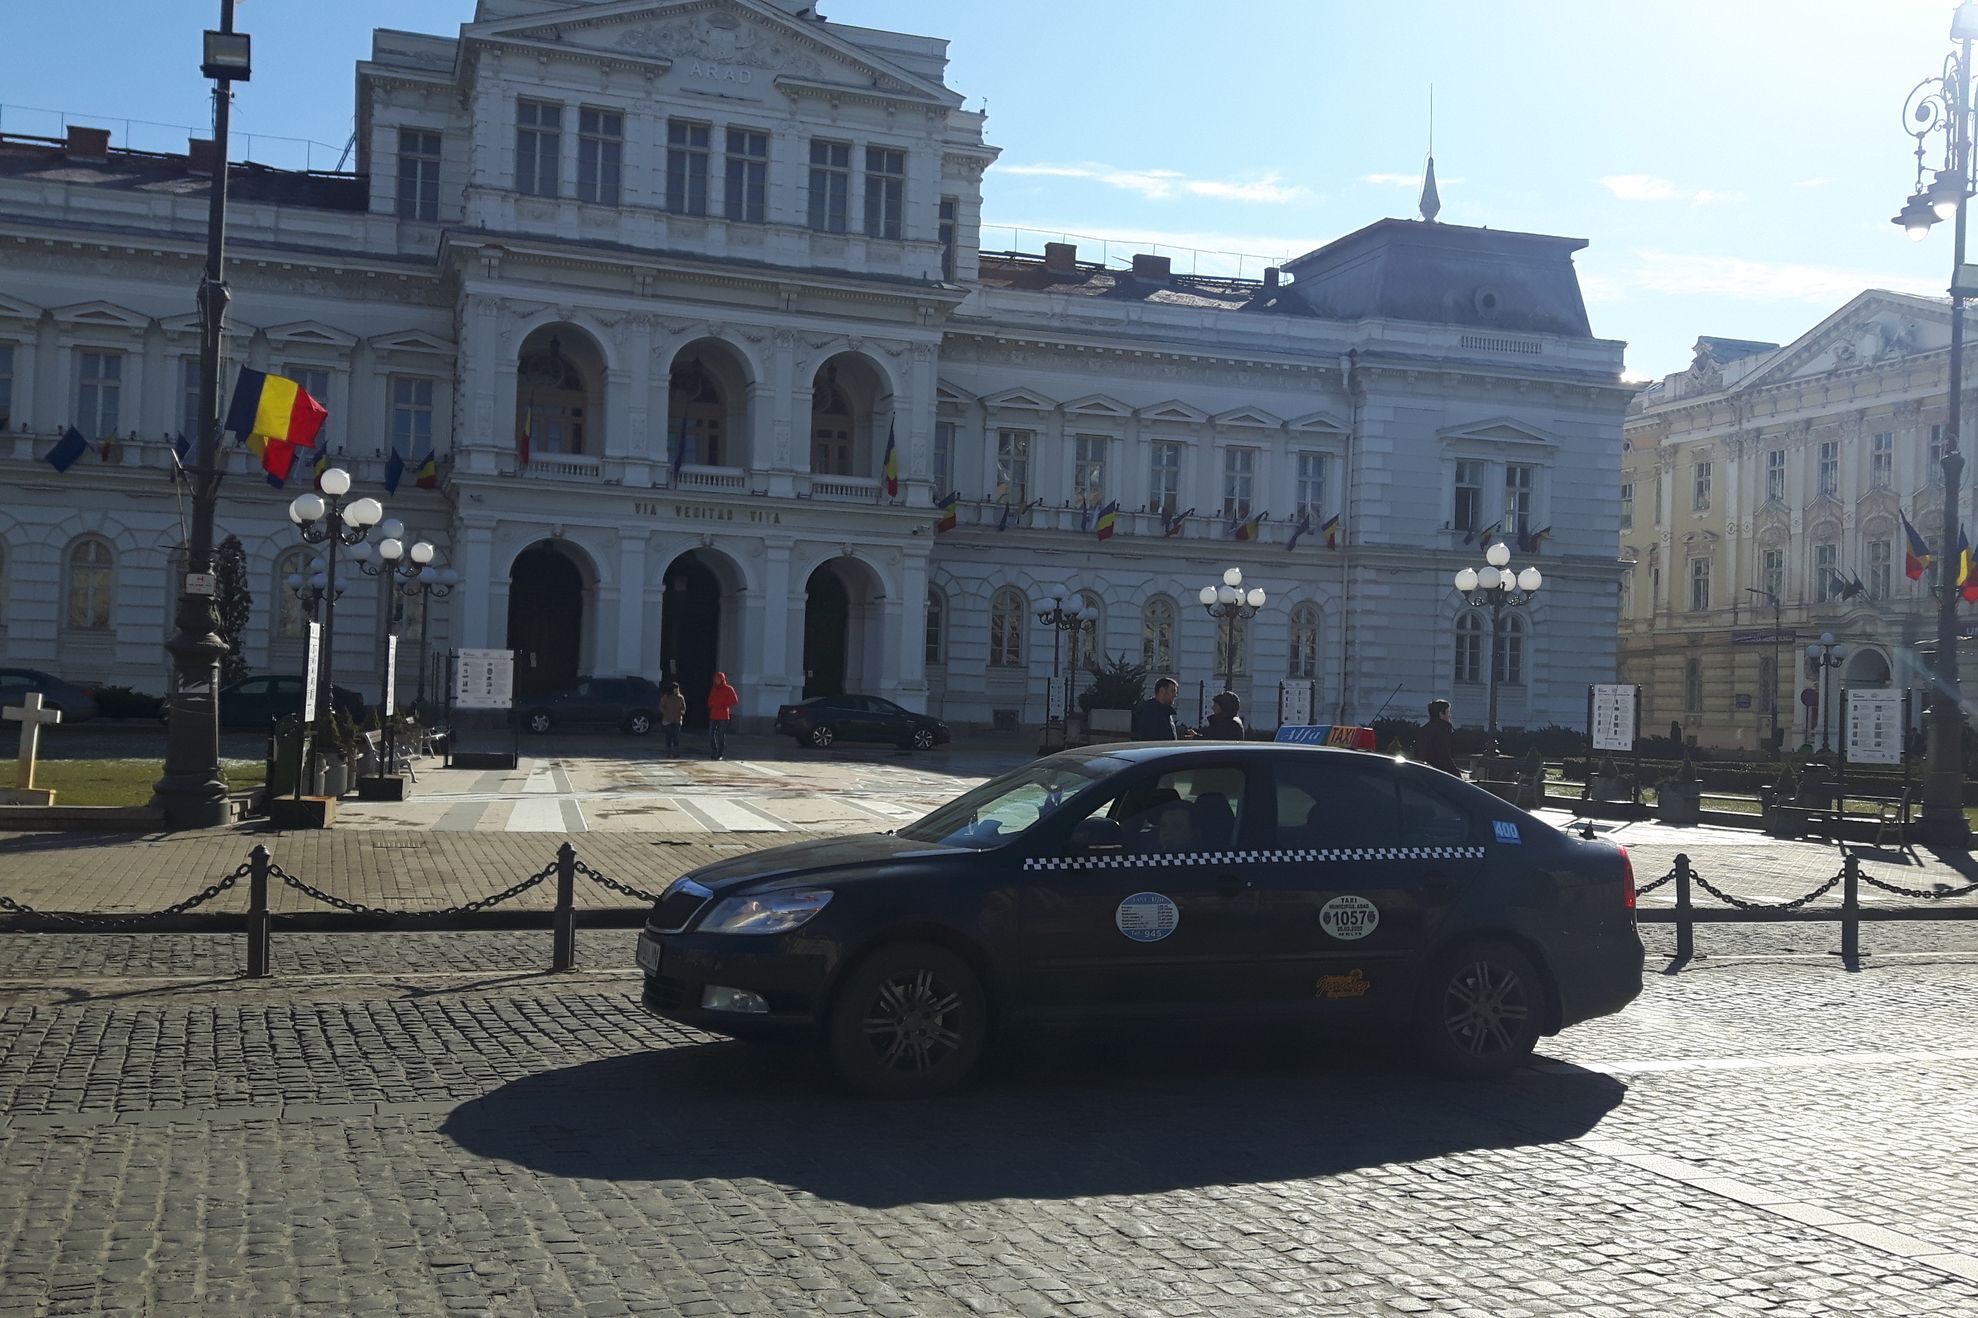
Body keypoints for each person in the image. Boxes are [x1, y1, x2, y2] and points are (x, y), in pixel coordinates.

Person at [1131, 676, 1197, 741]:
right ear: (1162, 691)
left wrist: (1184, 738)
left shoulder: (1163, 712)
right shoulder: (1151, 713)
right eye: (1173, 691)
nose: (1175, 695)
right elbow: (1157, 739)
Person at [1420, 698, 1459, 775]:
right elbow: (1444, 755)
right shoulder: (1443, 729)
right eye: (1448, 712)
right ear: (1441, 714)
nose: (1449, 715)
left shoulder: (1424, 729)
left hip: (1426, 771)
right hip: (1440, 772)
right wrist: (1456, 774)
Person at [706, 671, 739, 759]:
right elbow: (710, 699)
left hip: (723, 715)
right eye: (715, 679)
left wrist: (725, 705)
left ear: (722, 679)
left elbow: (735, 700)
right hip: (714, 714)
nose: (716, 681)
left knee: (721, 735)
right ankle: (714, 750)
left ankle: (720, 754)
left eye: (718, 679)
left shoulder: (729, 689)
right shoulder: (714, 689)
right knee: (711, 734)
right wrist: (711, 704)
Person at [658, 681, 686, 756]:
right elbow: (661, 706)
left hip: (677, 719)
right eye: (675, 688)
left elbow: (684, 707)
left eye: (677, 688)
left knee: (676, 737)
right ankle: (668, 752)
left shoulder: (680, 697)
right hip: (668, 719)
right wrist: (665, 712)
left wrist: (682, 712)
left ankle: (676, 753)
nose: (676, 690)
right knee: (668, 737)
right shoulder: (666, 697)